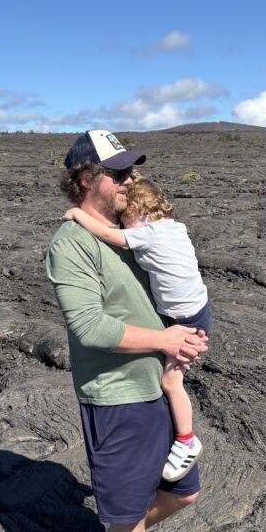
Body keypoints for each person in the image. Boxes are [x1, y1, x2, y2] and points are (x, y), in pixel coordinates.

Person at [45, 129, 208, 532]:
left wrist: (187, 336)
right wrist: (166, 338)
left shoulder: (132, 232)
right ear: (83, 179)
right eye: (117, 173)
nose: (129, 180)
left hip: (155, 385)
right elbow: (91, 328)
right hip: (118, 396)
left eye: (131, 170)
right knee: (127, 514)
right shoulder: (71, 244)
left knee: (184, 493)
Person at [63, 177, 211, 483]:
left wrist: (78, 215)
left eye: (126, 221)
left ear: (141, 213)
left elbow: (108, 236)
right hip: (196, 309)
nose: (124, 227)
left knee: (171, 383)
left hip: (184, 318)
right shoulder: (175, 228)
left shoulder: (149, 234)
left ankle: (186, 440)